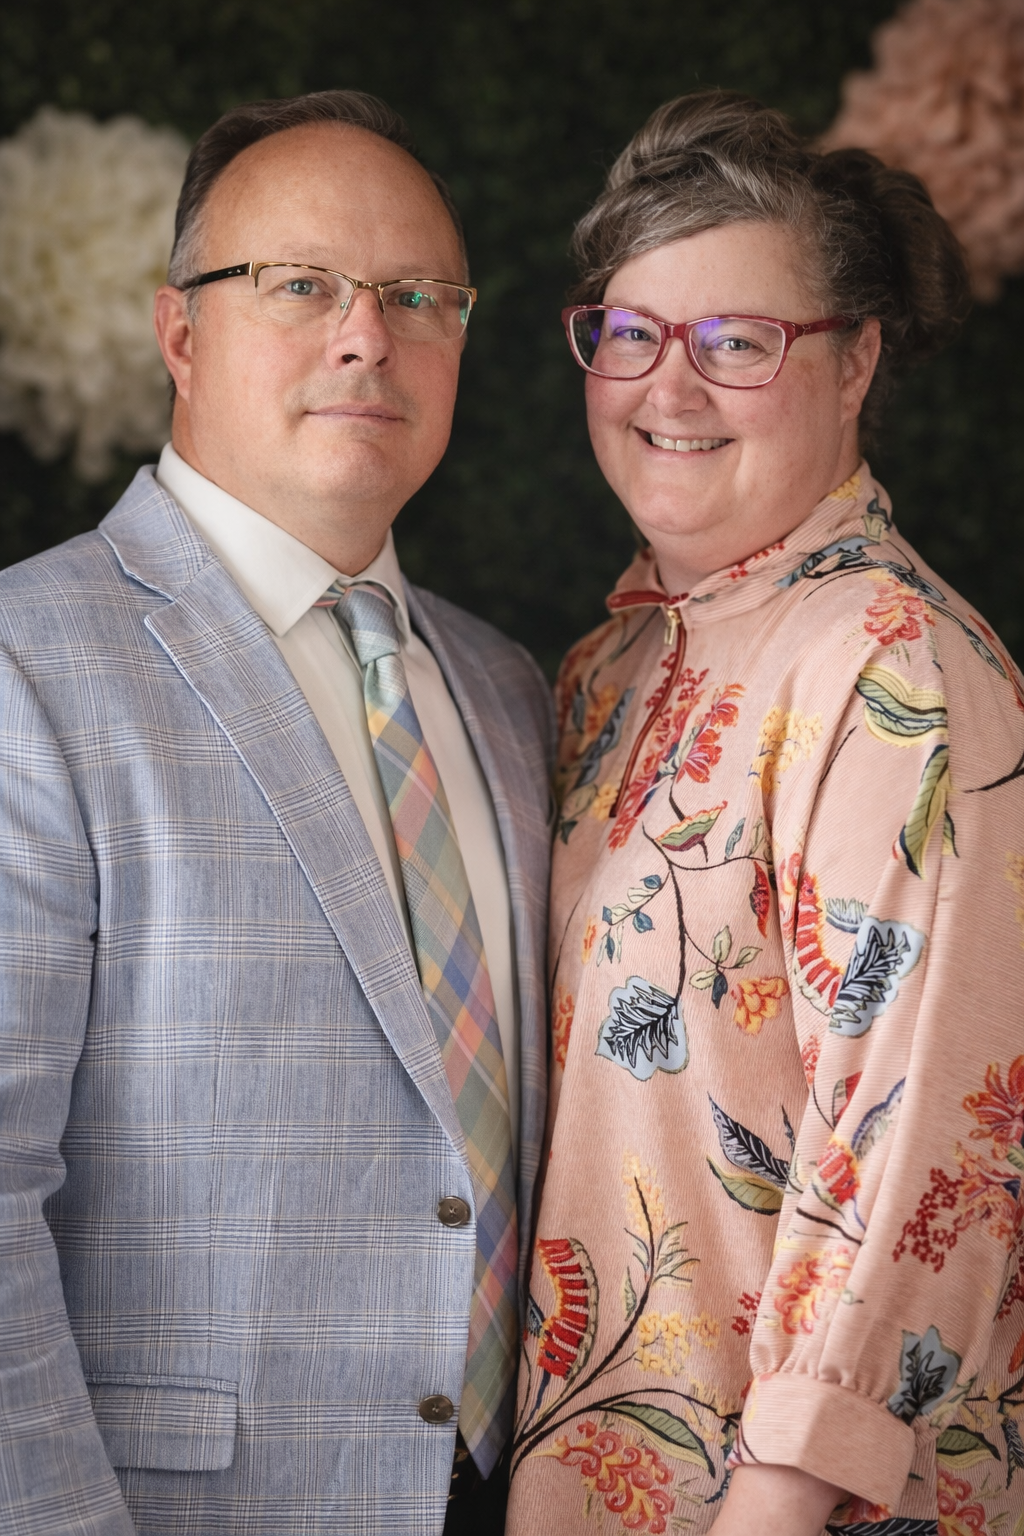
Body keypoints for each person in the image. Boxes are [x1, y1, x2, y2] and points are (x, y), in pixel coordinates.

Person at [0, 91, 554, 1536]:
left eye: (419, 296)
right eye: (301, 285)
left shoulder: (503, 691)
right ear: (180, 333)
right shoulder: (26, 670)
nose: (368, 333)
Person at [507, 91, 1024, 1536]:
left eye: (740, 343)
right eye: (632, 334)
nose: (667, 390)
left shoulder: (884, 660)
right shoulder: (611, 666)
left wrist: (778, 1504)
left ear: (857, 361)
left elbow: (928, 1135)